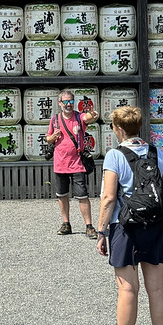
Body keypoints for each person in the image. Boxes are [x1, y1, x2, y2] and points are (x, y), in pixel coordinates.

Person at [95, 105, 163, 325]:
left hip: (125, 225)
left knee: (128, 288)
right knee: (157, 288)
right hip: (156, 225)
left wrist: (101, 231)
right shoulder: (156, 152)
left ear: (118, 129)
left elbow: (108, 198)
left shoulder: (115, 156)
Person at [45, 89, 99, 238]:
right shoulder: (55, 119)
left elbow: (87, 118)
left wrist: (93, 115)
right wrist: (52, 137)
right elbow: (48, 138)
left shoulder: (78, 117)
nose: (68, 104)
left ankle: (89, 226)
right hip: (60, 163)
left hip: (77, 163)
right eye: (66, 102)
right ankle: (66, 223)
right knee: (62, 195)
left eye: (71, 101)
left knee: (82, 195)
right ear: (60, 103)